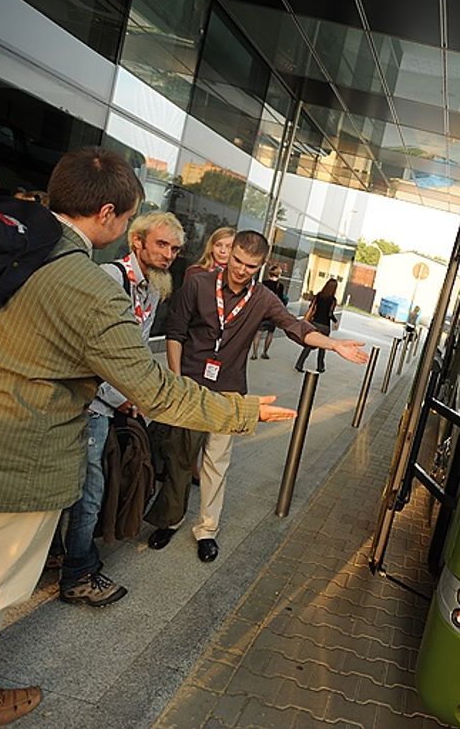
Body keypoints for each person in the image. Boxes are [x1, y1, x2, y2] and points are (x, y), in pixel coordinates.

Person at [0, 147, 295, 729]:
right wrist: (242, 413)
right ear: (111, 215)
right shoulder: (89, 287)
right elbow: (157, 392)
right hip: (12, 464)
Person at [147, 235, 367, 563]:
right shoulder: (198, 284)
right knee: (180, 457)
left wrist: (334, 345)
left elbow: (295, 327)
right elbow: (176, 332)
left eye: (250, 266)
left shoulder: (262, 298)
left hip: (231, 391)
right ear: (229, 253)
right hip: (191, 384)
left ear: (260, 265)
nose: (240, 270)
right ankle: (171, 519)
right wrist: (179, 381)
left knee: (216, 463)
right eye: (236, 260)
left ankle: (207, 529)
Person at [50, 211, 186, 607]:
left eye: (175, 249)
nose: (169, 255)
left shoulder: (153, 287)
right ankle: (77, 574)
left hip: (111, 404)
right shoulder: (111, 278)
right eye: (162, 244)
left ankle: (61, 555)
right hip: (90, 403)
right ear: (137, 241)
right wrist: (122, 394)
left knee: (84, 489)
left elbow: (134, 351)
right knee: (89, 494)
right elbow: (88, 348)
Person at [295, 278, 339, 373]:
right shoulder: (333, 300)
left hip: (315, 324)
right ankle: (320, 366)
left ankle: (299, 364)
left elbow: (312, 307)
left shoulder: (319, 295)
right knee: (323, 346)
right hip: (325, 326)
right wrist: (335, 321)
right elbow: (330, 314)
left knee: (309, 345)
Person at [251, 264, 287, 360]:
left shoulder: (264, 283)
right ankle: (265, 352)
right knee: (270, 333)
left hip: (263, 311)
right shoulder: (280, 286)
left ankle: (254, 353)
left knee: (258, 332)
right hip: (273, 312)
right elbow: (280, 300)